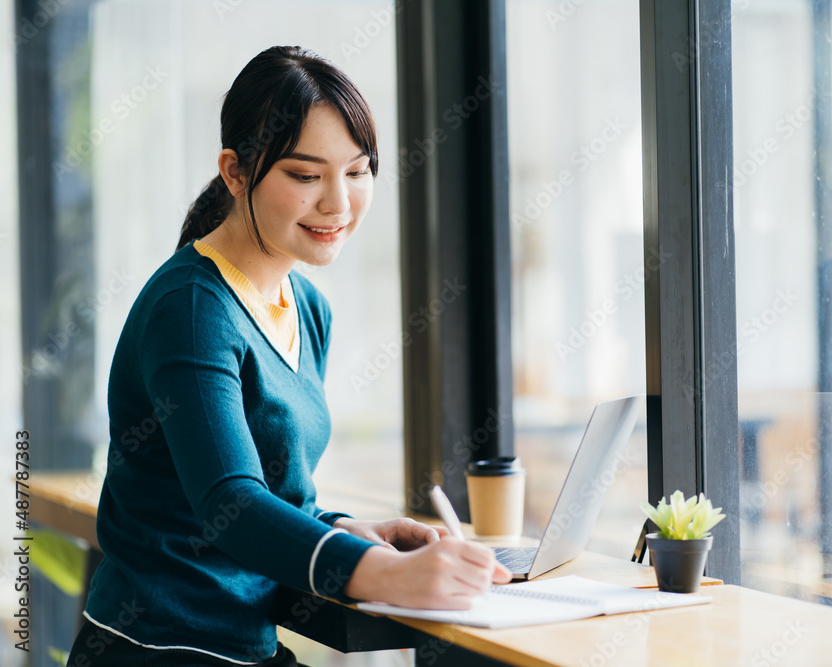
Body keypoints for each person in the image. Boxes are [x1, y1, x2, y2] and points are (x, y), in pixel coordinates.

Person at [67, 45, 510, 667]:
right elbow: (230, 506)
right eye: (305, 176)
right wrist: (383, 574)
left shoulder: (306, 307)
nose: (338, 203)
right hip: (163, 646)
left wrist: (346, 531)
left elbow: (277, 494)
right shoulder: (192, 311)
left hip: (243, 644)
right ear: (235, 171)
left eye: (357, 172)